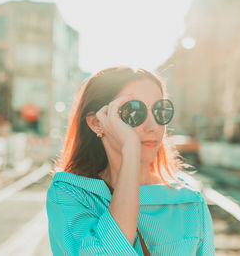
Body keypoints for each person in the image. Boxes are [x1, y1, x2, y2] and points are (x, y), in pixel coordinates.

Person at [46, 67, 216, 255]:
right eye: (133, 112)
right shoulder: (70, 194)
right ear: (97, 122)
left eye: (160, 111)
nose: (153, 126)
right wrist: (130, 148)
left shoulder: (188, 199)